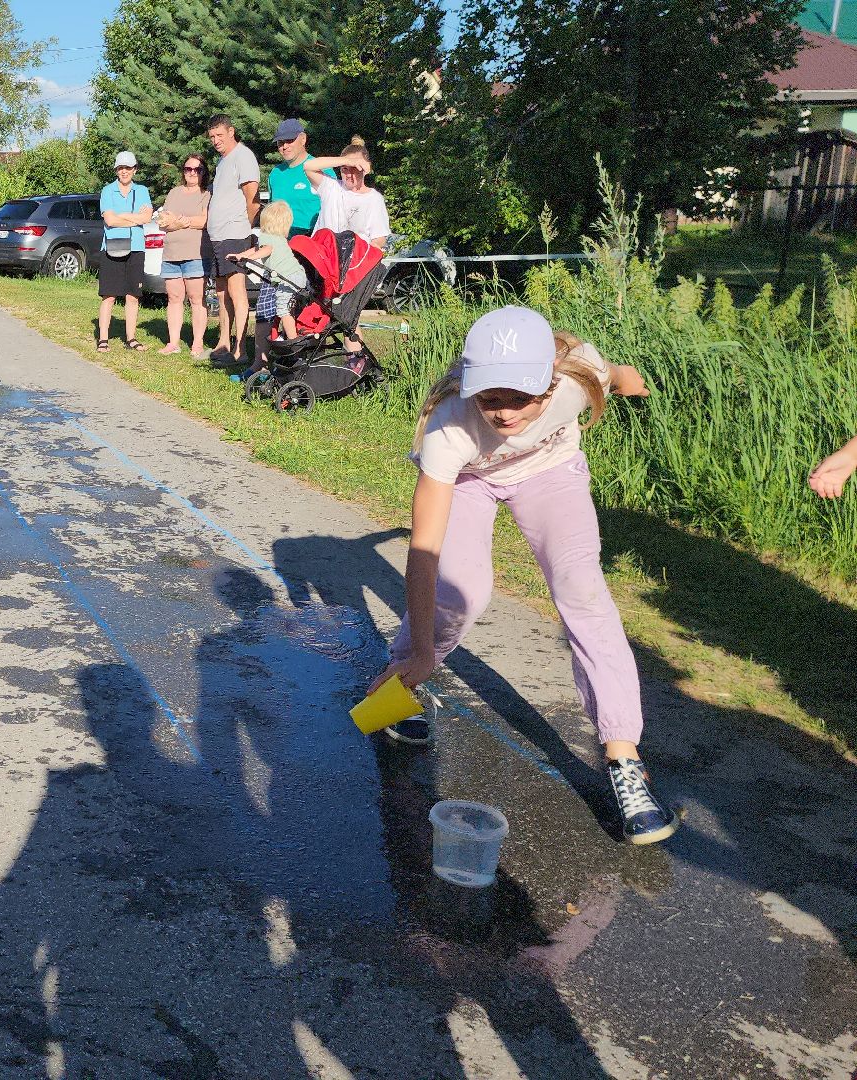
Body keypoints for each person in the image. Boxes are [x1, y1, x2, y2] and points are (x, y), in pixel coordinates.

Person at [372, 306, 676, 845]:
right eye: (490, 398)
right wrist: (422, 653)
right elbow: (424, 551)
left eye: (521, 398)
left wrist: (634, 383)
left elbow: (616, 375)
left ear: (550, 383)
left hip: (549, 473)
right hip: (471, 481)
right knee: (462, 592)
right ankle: (401, 681)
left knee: (582, 590)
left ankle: (624, 761)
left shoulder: (577, 378)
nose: (506, 413)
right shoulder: (450, 426)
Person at [203, 115, 261, 367]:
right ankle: (223, 343)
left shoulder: (243, 156)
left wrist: (245, 228)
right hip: (218, 236)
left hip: (235, 234)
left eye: (220, 135)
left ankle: (241, 349)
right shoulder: (222, 161)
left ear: (231, 131)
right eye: (212, 137)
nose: (216, 140)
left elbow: (252, 198)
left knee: (237, 291)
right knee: (221, 291)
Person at [232, 201, 305, 372]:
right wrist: (240, 256)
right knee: (288, 309)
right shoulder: (280, 238)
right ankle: (290, 343)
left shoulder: (267, 237)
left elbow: (265, 250)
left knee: (283, 309)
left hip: (287, 279)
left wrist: (250, 259)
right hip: (297, 276)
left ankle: (294, 345)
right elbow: (256, 249)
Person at [96, 150, 152, 353]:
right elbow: (110, 220)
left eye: (128, 167)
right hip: (112, 246)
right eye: (121, 168)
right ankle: (103, 338)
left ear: (135, 169)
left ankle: (131, 338)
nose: (124, 171)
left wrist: (123, 216)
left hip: (136, 248)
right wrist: (134, 217)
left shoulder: (142, 191)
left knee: (132, 295)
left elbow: (147, 218)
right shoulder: (107, 191)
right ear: (116, 170)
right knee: (109, 296)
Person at [155, 154, 209, 355]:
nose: (192, 173)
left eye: (197, 169)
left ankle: (197, 343)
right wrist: (184, 222)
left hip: (196, 253)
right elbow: (162, 222)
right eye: (188, 169)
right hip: (171, 254)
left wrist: (177, 219)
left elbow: (204, 221)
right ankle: (173, 342)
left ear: (204, 172)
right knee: (174, 297)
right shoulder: (174, 193)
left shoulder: (207, 194)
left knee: (196, 298)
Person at [305, 138, 390, 250]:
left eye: (355, 169)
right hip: (324, 254)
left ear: (365, 169)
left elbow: (379, 237)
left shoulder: (374, 198)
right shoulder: (331, 187)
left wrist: (374, 247)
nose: (349, 174)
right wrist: (347, 160)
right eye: (345, 169)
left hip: (355, 256)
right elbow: (308, 166)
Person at [267, 118, 332, 235]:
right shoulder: (275, 173)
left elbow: (336, 209)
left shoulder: (322, 169)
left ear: (303, 139)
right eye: (280, 142)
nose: (284, 146)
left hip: (312, 237)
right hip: (279, 238)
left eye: (289, 140)